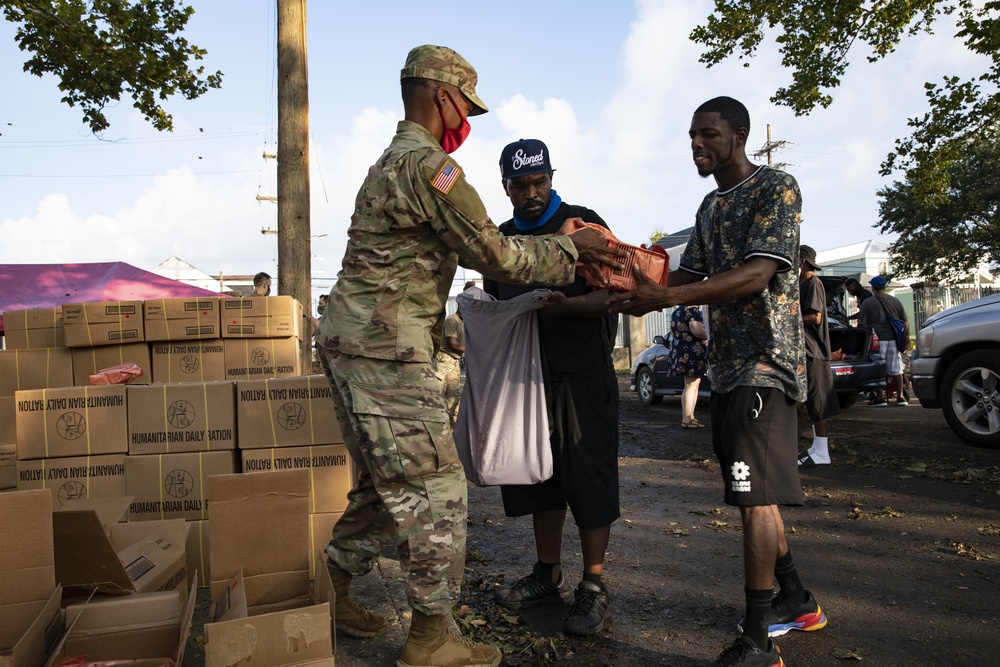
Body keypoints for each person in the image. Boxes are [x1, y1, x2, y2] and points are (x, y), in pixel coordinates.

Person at [313, 45, 623, 667]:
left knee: (383, 487)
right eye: (465, 106)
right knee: (437, 490)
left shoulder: (389, 162)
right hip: (381, 353)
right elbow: (498, 255)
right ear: (443, 96)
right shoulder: (430, 169)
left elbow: (399, 271)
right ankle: (430, 637)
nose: (467, 122)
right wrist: (577, 250)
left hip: (356, 344)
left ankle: (328, 592)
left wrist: (440, 331)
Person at [607, 96, 826, 667]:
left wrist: (668, 296)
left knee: (754, 499)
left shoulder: (776, 188)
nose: (697, 144)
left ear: (740, 134)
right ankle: (798, 599)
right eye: (691, 136)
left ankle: (756, 642)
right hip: (726, 371)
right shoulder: (709, 207)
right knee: (751, 491)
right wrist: (628, 281)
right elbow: (684, 274)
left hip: (767, 366)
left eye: (708, 133)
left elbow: (756, 276)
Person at [484, 138, 619, 637]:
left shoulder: (584, 224)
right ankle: (547, 574)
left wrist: (560, 305)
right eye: (520, 185)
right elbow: (497, 308)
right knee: (538, 479)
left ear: (552, 177)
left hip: (582, 374)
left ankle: (593, 585)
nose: (531, 193)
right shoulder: (499, 242)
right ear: (506, 188)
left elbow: (611, 296)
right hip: (525, 379)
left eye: (539, 182)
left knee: (589, 478)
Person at [797, 246, 840, 465]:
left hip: (813, 350)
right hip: (805, 350)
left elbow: (815, 317)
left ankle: (822, 452)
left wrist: (789, 319)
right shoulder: (802, 284)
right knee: (810, 401)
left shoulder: (813, 283)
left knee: (818, 400)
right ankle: (816, 447)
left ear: (803, 260)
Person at [857, 276, 910, 407]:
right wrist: (904, 337)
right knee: (897, 369)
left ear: (873, 288)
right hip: (893, 339)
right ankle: (901, 397)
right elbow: (906, 322)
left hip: (876, 340)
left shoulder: (867, 303)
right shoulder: (895, 301)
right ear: (884, 287)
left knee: (878, 370)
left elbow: (861, 323)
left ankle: (880, 398)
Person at [667, 305, 709, 429]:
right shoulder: (692, 310)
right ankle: (687, 418)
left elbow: (671, 331)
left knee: (689, 385)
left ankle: (689, 417)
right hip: (691, 351)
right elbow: (697, 329)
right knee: (692, 385)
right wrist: (710, 335)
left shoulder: (676, 311)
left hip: (681, 349)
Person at [436, 300, 466, 427]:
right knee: (437, 396)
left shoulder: (463, 322)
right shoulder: (452, 320)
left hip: (454, 362)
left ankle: (452, 430)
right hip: (444, 361)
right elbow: (452, 344)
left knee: (453, 399)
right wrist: (473, 351)